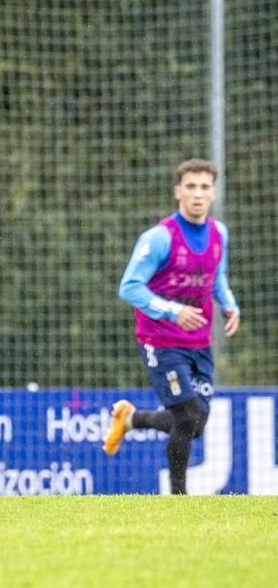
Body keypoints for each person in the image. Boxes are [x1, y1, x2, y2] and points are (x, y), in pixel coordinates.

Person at [104, 158, 239, 495]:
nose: (197, 194)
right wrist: (172, 310)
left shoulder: (219, 233)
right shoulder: (160, 237)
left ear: (213, 192)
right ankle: (179, 499)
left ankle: (131, 419)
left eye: (204, 187)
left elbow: (216, 276)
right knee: (188, 416)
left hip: (199, 342)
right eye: (190, 187)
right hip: (160, 340)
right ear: (178, 191)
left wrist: (230, 304)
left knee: (195, 424)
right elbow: (129, 287)